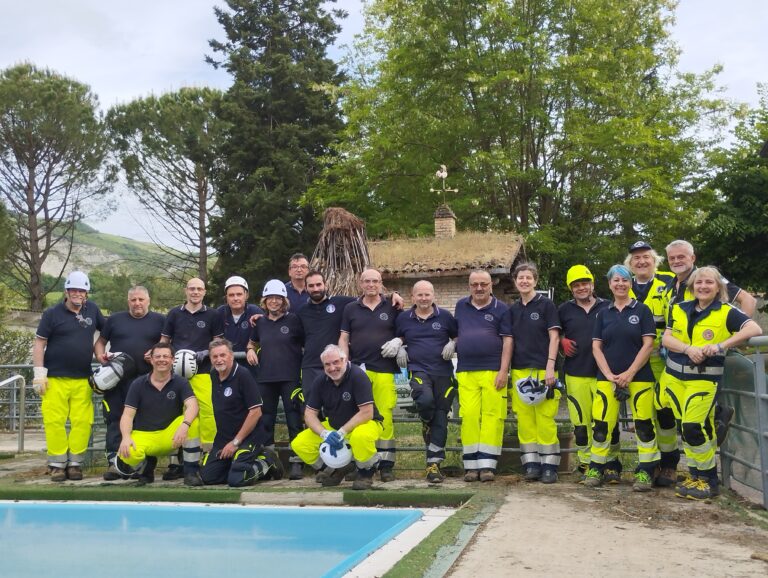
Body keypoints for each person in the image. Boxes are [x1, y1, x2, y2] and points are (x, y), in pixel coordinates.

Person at [661, 266, 761, 500]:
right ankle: (695, 475)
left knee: (694, 427)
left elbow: (753, 328)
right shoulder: (678, 309)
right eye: (699, 283)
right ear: (692, 287)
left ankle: (708, 480)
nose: (703, 287)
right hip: (676, 378)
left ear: (718, 287)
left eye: (709, 283)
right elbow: (667, 337)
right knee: (686, 428)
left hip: (703, 379)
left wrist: (720, 346)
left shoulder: (726, 311)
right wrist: (688, 348)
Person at [584, 265, 658, 492]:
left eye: (625, 280)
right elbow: (596, 346)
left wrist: (630, 373)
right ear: (609, 284)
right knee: (601, 424)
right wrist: (608, 375)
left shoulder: (642, 310)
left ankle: (646, 470)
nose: (620, 284)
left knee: (644, 424)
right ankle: (596, 467)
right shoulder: (602, 313)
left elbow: (648, 344)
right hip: (608, 377)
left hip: (640, 377)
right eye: (616, 280)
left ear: (631, 283)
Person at [32, 271, 105, 482]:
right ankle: (57, 464)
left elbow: (106, 331)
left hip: (83, 378)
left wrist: (100, 351)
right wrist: (39, 373)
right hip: (54, 378)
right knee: (54, 421)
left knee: (82, 422)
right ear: (66, 291)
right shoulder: (52, 314)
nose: (77, 294)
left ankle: (75, 464)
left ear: (87, 293)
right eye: (73, 289)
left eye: (81, 290)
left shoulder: (93, 310)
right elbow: (39, 343)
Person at [290, 344, 384, 490]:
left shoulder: (358, 375)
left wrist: (342, 432)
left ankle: (366, 473)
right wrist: (325, 433)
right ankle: (336, 467)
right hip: (334, 426)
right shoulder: (320, 381)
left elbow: (367, 412)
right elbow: (309, 414)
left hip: (366, 423)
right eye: (327, 364)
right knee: (299, 443)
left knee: (360, 437)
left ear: (344, 359)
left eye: (336, 362)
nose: (332, 368)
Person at [96, 286, 165, 480]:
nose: (137, 303)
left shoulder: (160, 321)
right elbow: (100, 341)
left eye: (141, 300)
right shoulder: (115, 320)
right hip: (118, 381)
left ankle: (143, 465)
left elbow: (168, 343)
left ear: (148, 300)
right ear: (128, 302)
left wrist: (156, 353)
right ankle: (114, 464)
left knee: (144, 421)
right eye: (134, 300)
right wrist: (100, 356)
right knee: (115, 419)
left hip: (148, 381)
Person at [339, 268, 401, 482]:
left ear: (381, 283)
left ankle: (385, 465)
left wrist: (399, 342)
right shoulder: (350, 308)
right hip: (358, 370)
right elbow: (344, 337)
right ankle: (363, 463)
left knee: (384, 416)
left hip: (384, 370)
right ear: (360, 283)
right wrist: (344, 362)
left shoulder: (393, 306)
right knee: (358, 418)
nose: (371, 285)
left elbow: (405, 332)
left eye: (375, 281)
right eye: (367, 281)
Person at [624, 241, 678, 486]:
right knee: (642, 416)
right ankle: (648, 464)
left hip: (664, 361)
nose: (641, 261)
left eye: (646, 257)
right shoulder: (624, 285)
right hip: (637, 362)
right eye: (636, 258)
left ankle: (669, 464)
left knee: (666, 414)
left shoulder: (670, 282)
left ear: (655, 260)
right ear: (630, 264)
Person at [394, 280, 458, 483]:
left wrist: (453, 343)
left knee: (441, 417)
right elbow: (398, 337)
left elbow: (457, 336)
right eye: (419, 295)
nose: (423, 298)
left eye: (427, 295)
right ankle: (425, 421)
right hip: (419, 370)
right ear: (413, 297)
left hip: (443, 372)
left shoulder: (446, 317)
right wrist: (400, 345)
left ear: (433, 296)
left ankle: (434, 464)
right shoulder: (404, 318)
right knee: (425, 401)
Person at [115, 342, 203, 486]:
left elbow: (192, 405)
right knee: (128, 453)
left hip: (171, 436)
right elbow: (127, 415)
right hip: (145, 435)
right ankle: (146, 469)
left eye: (165, 356)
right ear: (151, 359)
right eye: (158, 356)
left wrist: (185, 425)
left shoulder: (180, 382)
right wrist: (125, 437)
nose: (161, 359)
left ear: (172, 360)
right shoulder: (138, 384)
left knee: (193, 421)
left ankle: (191, 472)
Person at [160, 277, 224, 476]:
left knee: (207, 412)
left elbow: (218, 341)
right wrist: (162, 356)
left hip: (203, 372)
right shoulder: (174, 314)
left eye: (199, 289)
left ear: (204, 292)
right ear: (185, 291)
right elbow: (165, 340)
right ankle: (175, 461)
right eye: (192, 289)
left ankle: (209, 454)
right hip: (176, 374)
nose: (195, 292)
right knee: (176, 413)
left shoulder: (213, 315)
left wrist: (206, 353)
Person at [454, 270, 512, 482]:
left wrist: (503, 370)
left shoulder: (502, 308)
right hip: (466, 370)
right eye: (475, 284)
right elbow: (456, 331)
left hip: (492, 370)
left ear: (491, 286)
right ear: (469, 286)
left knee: (492, 417)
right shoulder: (461, 306)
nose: (479, 288)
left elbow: (507, 340)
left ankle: (487, 465)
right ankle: (470, 465)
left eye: (484, 284)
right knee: (468, 415)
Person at [201, 339, 284, 486]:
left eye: (223, 355)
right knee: (209, 477)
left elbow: (256, 412)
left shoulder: (243, 375)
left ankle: (267, 461)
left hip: (248, 438)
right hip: (223, 439)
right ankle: (237, 464)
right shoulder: (213, 375)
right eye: (215, 356)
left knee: (237, 479)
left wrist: (235, 443)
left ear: (231, 356)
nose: (219, 360)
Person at [507, 263, 562, 484]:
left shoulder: (546, 305)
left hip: (543, 369)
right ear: (515, 281)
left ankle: (550, 465)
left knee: (545, 417)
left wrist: (550, 365)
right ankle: (531, 463)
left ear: (535, 281)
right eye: (520, 278)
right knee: (525, 419)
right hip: (520, 370)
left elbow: (554, 337)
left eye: (528, 278)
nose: (524, 281)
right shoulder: (513, 309)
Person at [246, 280, 305, 480]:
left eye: (277, 298)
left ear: (283, 300)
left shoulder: (294, 320)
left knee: (293, 418)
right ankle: (269, 462)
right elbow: (252, 342)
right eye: (270, 298)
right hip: (266, 378)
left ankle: (297, 462)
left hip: (290, 377)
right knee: (266, 420)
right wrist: (249, 350)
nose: (273, 302)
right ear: (264, 300)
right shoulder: (260, 322)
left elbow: (306, 343)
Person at [557, 265, 612, 479]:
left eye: (584, 283)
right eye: (576, 285)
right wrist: (562, 341)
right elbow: (553, 335)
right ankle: (585, 462)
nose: (581, 288)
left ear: (592, 284)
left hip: (603, 373)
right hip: (576, 372)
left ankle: (605, 463)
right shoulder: (564, 310)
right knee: (580, 424)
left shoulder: (607, 307)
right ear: (571, 288)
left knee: (604, 423)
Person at [217, 275, 263, 379]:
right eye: (231, 295)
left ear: (246, 295)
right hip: (227, 369)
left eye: (239, 294)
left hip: (251, 368)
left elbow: (264, 337)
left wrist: (252, 348)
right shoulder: (219, 313)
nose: (235, 298)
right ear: (226, 297)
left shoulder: (255, 312)